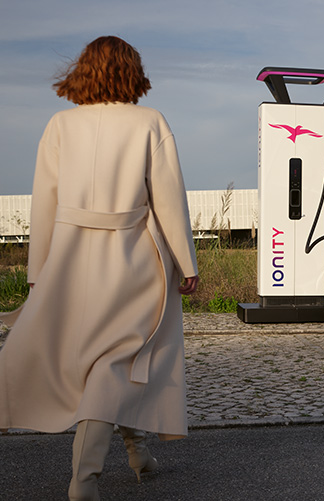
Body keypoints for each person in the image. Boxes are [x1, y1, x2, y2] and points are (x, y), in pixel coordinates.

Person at [0, 36, 199, 500]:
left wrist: (38, 273)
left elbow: (43, 204)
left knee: (100, 356)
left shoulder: (58, 125)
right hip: (132, 257)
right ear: (133, 72)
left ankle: (138, 452)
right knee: (118, 359)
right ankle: (84, 479)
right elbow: (168, 199)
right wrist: (186, 262)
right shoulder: (150, 122)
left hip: (68, 258)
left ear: (82, 70)